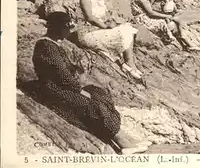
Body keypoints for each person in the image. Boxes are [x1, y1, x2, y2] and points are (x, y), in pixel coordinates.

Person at [33, 12, 151, 154]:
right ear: (58, 28)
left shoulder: (53, 44)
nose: (69, 30)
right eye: (67, 27)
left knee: (100, 94)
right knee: (91, 103)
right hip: (54, 90)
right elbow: (62, 75)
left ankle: (125, 138)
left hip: (63, 87)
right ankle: (123, 143)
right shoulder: (46, 46)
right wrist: (79, 90)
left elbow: (67, 70)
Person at [76, 0, 142, 80]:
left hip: (98, 30)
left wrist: (112, 23)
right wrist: (105, 26)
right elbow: (90, 17)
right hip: (87, 33)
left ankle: (129, 63)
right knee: (122, 33)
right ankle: (130, 65)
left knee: (128, 28)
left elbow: (106, 17)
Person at [130, 0, 194, 50]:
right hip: (142, 19)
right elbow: (151, 12)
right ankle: (172, 41)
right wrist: (166, 16)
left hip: (136, 18)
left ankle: (182, 43)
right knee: (163, 23)